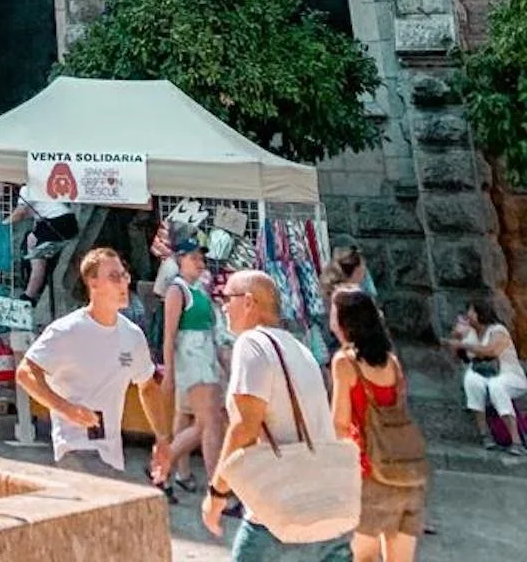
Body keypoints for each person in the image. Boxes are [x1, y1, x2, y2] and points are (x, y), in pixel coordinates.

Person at [204, 268, 359, 561]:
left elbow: (244, 427)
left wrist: (217, 492)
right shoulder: (298, 348)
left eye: (227, 298)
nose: (223, 306)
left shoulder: (251, 344)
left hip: (280, 510)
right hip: (326, 508)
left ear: (248, 302)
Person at [16, 246, 156, 477]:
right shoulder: (67, 330)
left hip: (112, 454)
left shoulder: (132, 334)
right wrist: (66, 409)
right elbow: (25, 373)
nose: (123, 283)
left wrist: (163, 440)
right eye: (113, 277)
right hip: (76, 449)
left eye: (124, 275)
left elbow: (148, 386)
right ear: (93, 283)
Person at [330, 285, 428, 562]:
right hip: (409, 472)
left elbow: (339, 423)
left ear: (343, 321)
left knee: (364, 558)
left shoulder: (345, 363)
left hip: (371, 473)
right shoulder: (392, 363)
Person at [154, 228, 225, 496]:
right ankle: (217, 487)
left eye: (200, 257)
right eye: (193, 257)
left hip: (204, 358)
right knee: (208, 422)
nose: (199, 262)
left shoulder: (200, 290)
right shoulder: (177, 290)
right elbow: (170, 334)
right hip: (190, 360)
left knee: (190, 421)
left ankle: (168, 469)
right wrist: (170, 372)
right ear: (180, 259)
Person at [448, 293, 526, 449]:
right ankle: (485, 435)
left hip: (508, 375)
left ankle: (516, 439)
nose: (467, 315)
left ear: (479, 313)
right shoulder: (469, 333)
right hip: (483, 375)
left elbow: (490, 351)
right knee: (471, 381)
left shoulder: (498, 331)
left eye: (470, 311)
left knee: (497, 386)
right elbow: (458, 358)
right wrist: (455, 338)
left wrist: (464, 345)